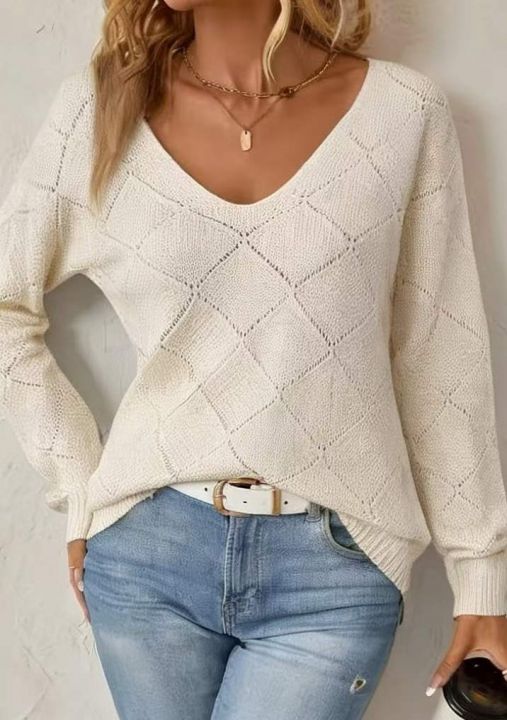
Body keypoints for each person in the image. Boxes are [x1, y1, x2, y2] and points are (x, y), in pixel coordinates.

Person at [1, 1, 507, 718]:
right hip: (147, 555)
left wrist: (482, 576)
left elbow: (439, 353)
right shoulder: (98, 109)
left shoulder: (402, 113)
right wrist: (79, 484)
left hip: (333, 570)